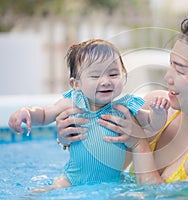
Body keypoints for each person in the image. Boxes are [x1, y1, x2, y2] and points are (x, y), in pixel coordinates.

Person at [55, 17, 188, 184]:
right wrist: (72, 135)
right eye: (170, 64)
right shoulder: (154, 107)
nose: (167, 77)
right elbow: (105, 171)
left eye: (180, 69)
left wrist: (139, 143)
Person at [8, 39, 170, 191]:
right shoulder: (73, 102)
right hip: (71, 180)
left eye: (113, 74)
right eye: (95, 76)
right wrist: (27, 112)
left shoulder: (125, 107)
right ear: (75, 84)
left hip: (113, 181)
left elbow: (152, 125)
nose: (105, 81)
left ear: (123, 75)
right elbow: (44, 115)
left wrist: (158, 112)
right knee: (44, 192)